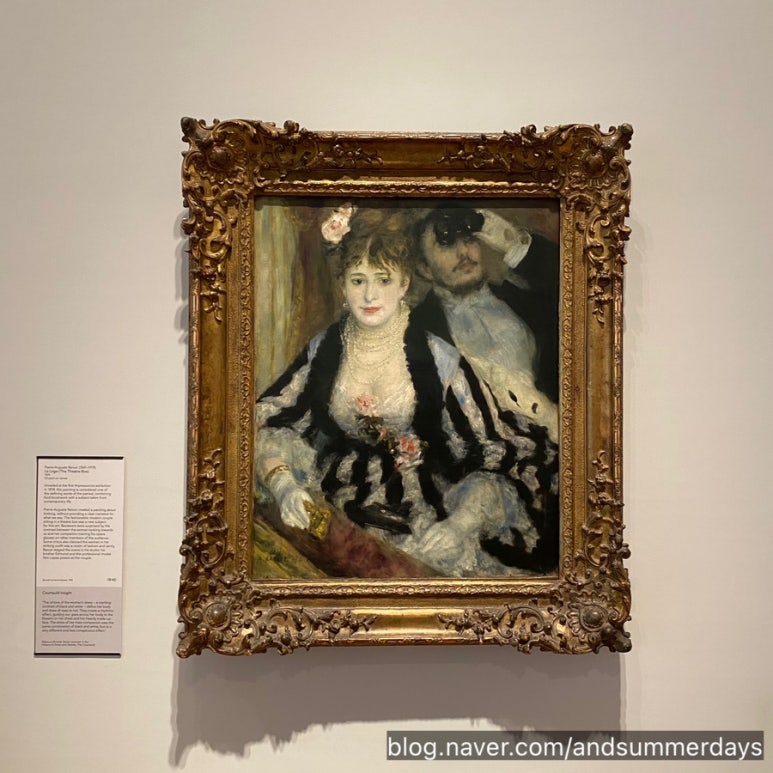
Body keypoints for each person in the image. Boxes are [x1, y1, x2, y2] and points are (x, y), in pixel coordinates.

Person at [254, 210, 558, 578]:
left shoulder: (437, 356)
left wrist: (460, 524)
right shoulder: (326, 348)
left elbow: (489, 451)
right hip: (339, 507)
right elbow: (274, 418)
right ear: (343, 285)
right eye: (358, 280)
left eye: (383, 280)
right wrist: (283, 482)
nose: (369, 295)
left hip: (422, 514)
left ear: (403, 285)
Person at [410, 206, 560, 440]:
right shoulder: (415, 332)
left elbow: (583, 289)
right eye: (447, 244)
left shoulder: (528, 302)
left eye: (469, 239)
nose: (463, 252)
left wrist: (513, 244)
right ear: (424, 268)